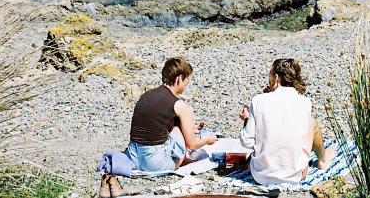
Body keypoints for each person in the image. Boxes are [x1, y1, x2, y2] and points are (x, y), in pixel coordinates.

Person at [100, 57, 218, 198]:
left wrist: (190, 127)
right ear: (179, 78)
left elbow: (155, 124)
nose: (187, 84)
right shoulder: (179, 105)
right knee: (181, 128)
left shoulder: (146, 95)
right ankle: (181, 161)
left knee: (177, 125)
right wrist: (208, 139)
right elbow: (192, 144)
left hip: (133, 159)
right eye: (187, 80)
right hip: (155, 164)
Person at [238, 58, 335, 186]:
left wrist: (247, 120)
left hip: (260, 176)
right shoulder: (305, 102)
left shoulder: (258, 100)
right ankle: (322, 159)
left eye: (270, 76)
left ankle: (321, 158)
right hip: (294, 176)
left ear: (277, 77)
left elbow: (246, 142)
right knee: (312, 123)